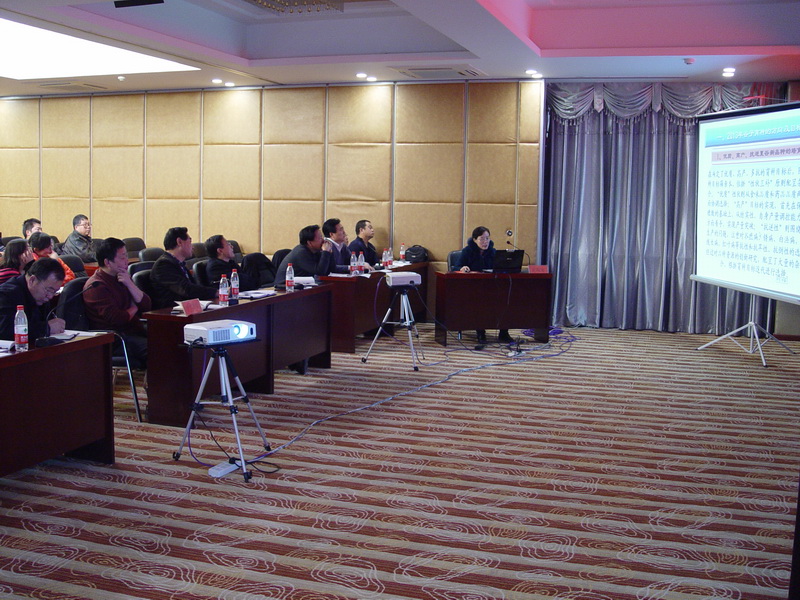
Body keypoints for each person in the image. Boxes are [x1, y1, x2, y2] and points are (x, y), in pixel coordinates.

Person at [83, 238, 151, 369]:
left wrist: (129, 284)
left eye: (126, 256)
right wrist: (134, 307)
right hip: (116, 339)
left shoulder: (122, 277)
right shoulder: (96, 286)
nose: (127, 261)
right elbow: (117, 319)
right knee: (156, 350)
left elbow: (147, 305)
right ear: (107, 262)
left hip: (133, 331)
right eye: (122, 257)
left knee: (169, 340)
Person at [457, 226, 512, 345]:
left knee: (505, 299)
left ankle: (504, 333)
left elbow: (498, 268)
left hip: (491, 286)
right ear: (474, 239)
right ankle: (481, 333)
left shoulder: (493, 252)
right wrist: (462, 268)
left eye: (487, 238)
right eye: (482, 239)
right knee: (480, 301)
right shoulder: (467, 251)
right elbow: (455, 267)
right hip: (472, 288)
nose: (485, 242)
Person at [0, 257, 66, 345]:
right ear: (32, 280)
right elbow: (5, 331)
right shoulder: (7, 294)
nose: (50, 296)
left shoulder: (41, 296)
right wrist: (46, 328)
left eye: (54, 292)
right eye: (49, 290)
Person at [150, 227, 217, 309]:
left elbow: (193, 286)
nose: (193, 247)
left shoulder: (178, 263)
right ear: (179, 242)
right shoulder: (163, 265)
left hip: (187, 308)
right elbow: (186, 289)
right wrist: (216, 292)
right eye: (190, 241)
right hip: (169, 311)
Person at [274, 224, 333, 289]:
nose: (323, 240)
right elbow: (320, 272)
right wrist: (326, 252)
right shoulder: (301, 253)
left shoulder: (315, 250)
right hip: (285, 287)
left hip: (302, 285)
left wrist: (329, 252)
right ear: (309, 243)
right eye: (320, 238)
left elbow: (331, 269)